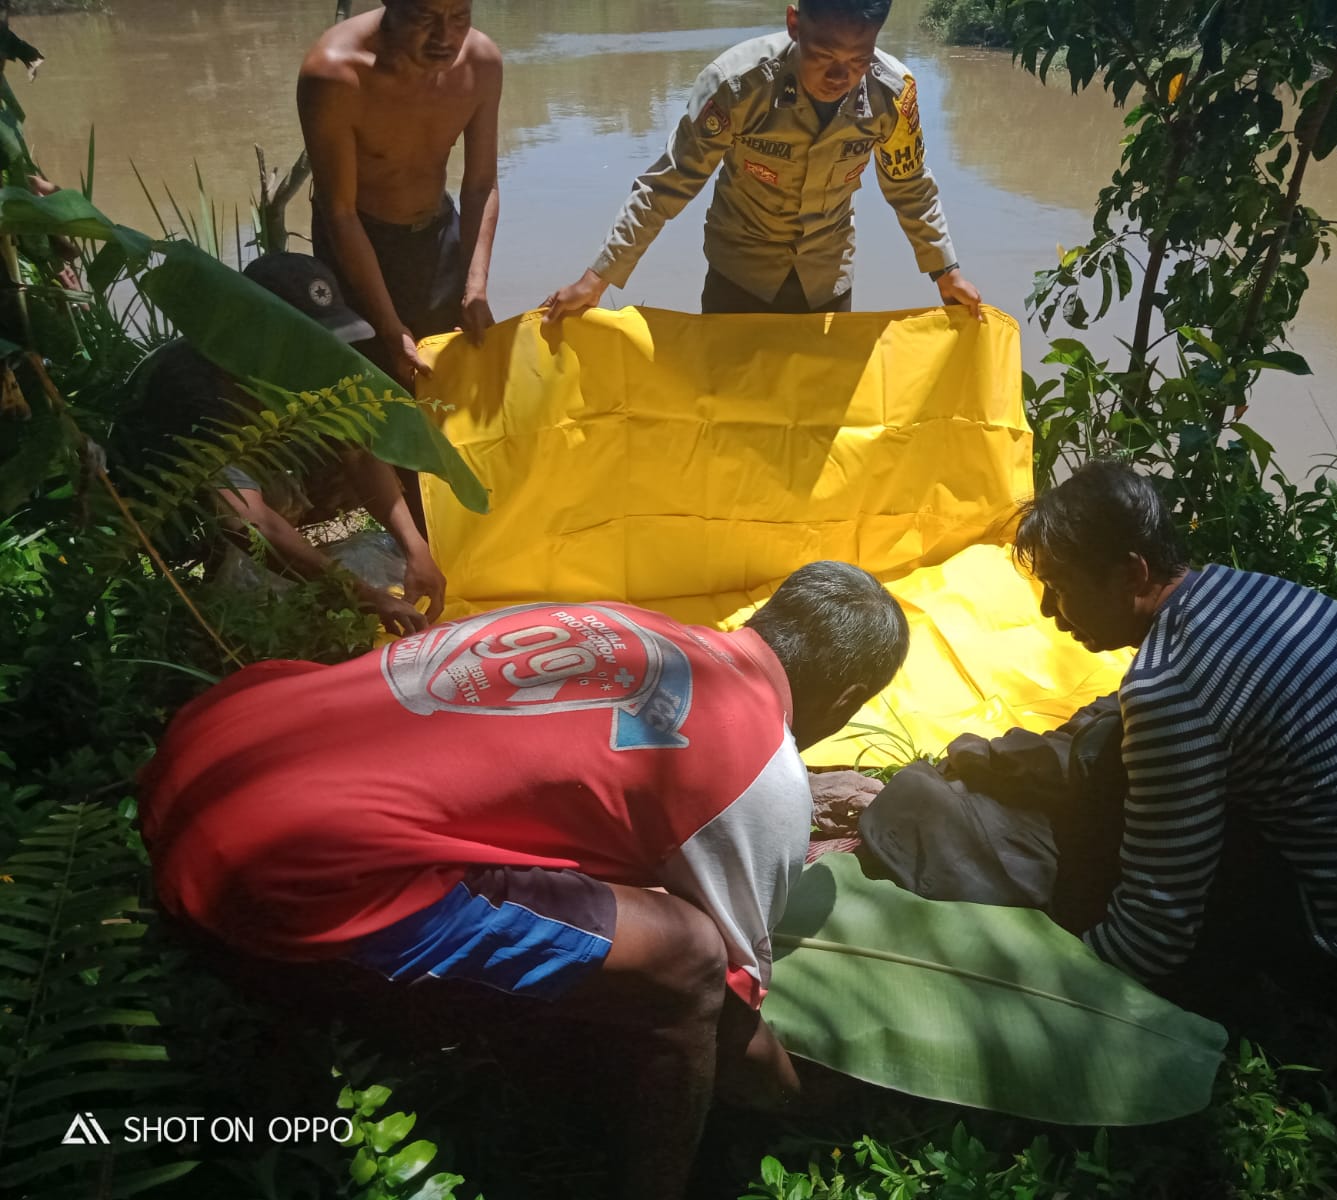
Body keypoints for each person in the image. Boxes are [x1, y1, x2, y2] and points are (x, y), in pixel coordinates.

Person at [139, 561, 910, 1198]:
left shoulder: (626, 623)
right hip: (275, 875)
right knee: (686, 960)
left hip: (208, 760)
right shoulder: (757, 775)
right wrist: (807, 1099)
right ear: (845, 701)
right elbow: (731, 1013)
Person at [1011, 461, 1337, 1023]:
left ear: (1132, 574)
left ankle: (1240, 999)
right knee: (1134, 758)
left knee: (1124, 792)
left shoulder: (1168, 688)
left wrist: (1050, 985)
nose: (1049, 612)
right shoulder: (1254, 590)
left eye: (1060, 588)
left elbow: (1156, 932)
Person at [541, 0, 983, 322]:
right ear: (794, 24)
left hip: (827, 282)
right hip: (739, 280)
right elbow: (668, 185)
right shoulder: (737, 86)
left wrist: (946, 271)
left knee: (817, 426)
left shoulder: (893, 93)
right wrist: (597, 278)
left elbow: (910, 187)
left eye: (858, 60)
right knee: (731, 419)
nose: (839, 76)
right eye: (825, 55)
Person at [133, 252, 445, 635]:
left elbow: (360, 455)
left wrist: (416, 548)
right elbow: (249, 521)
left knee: (352, 456)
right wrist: (363, 594)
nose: (324, 354)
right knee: (257, 516)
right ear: (260, 331)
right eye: (309, 340)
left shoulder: (304, 365)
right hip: (164, 511)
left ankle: (296, 560)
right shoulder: (194, 390)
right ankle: (219, 580)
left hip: (257, 466)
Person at [298, 0, 502, 387]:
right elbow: (339, 211)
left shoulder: (482, 62)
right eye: (425, 18)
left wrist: (475, 290)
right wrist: (388, 324)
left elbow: (480, 185)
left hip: (439, 236)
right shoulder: (335, 72)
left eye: (459, 17)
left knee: (453, 385)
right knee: (373, 395)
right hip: (360, 243)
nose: (445, 38)